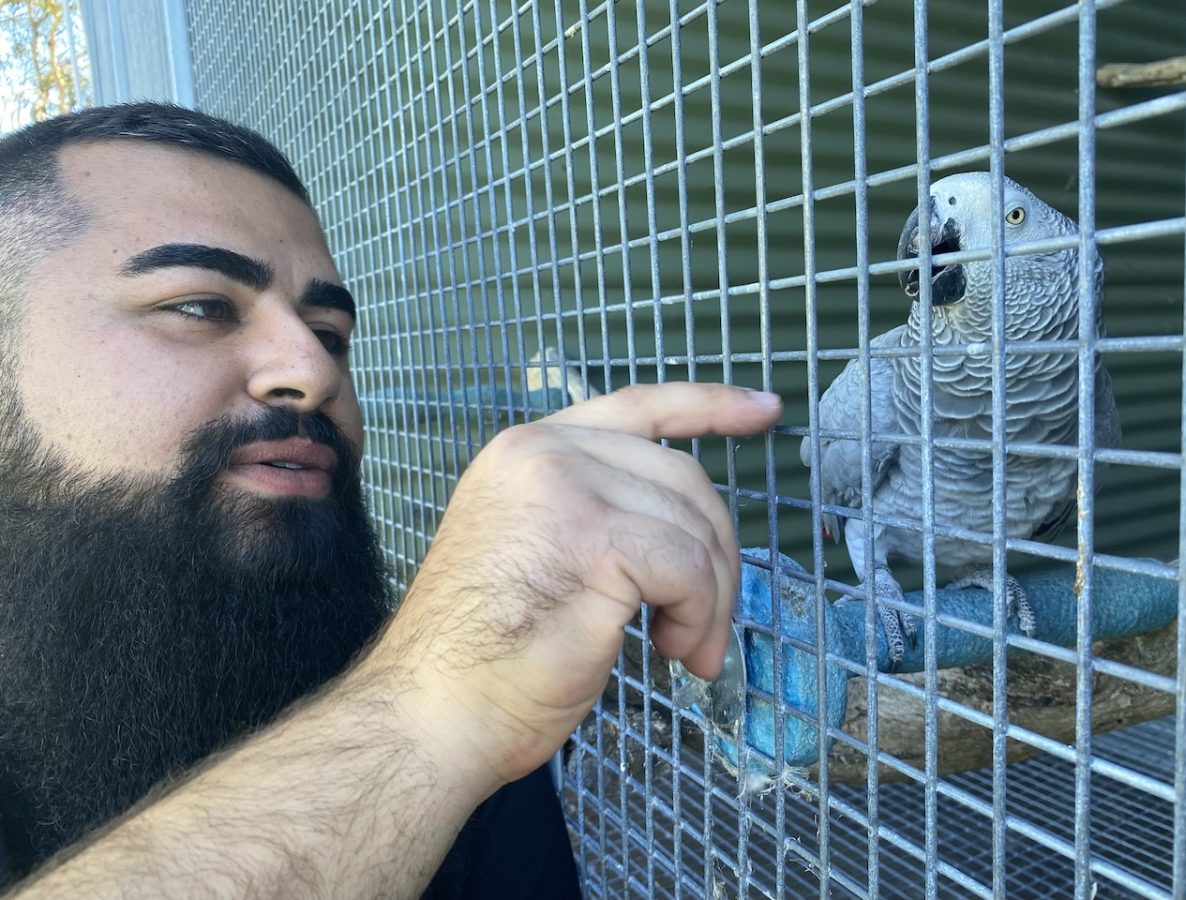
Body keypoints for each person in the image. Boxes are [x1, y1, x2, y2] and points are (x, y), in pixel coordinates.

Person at [0, 102, 781, 898]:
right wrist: (426, 709)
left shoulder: (458, 744)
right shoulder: (434, 712)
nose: (312, 369)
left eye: (330, 332)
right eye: (200, 307)